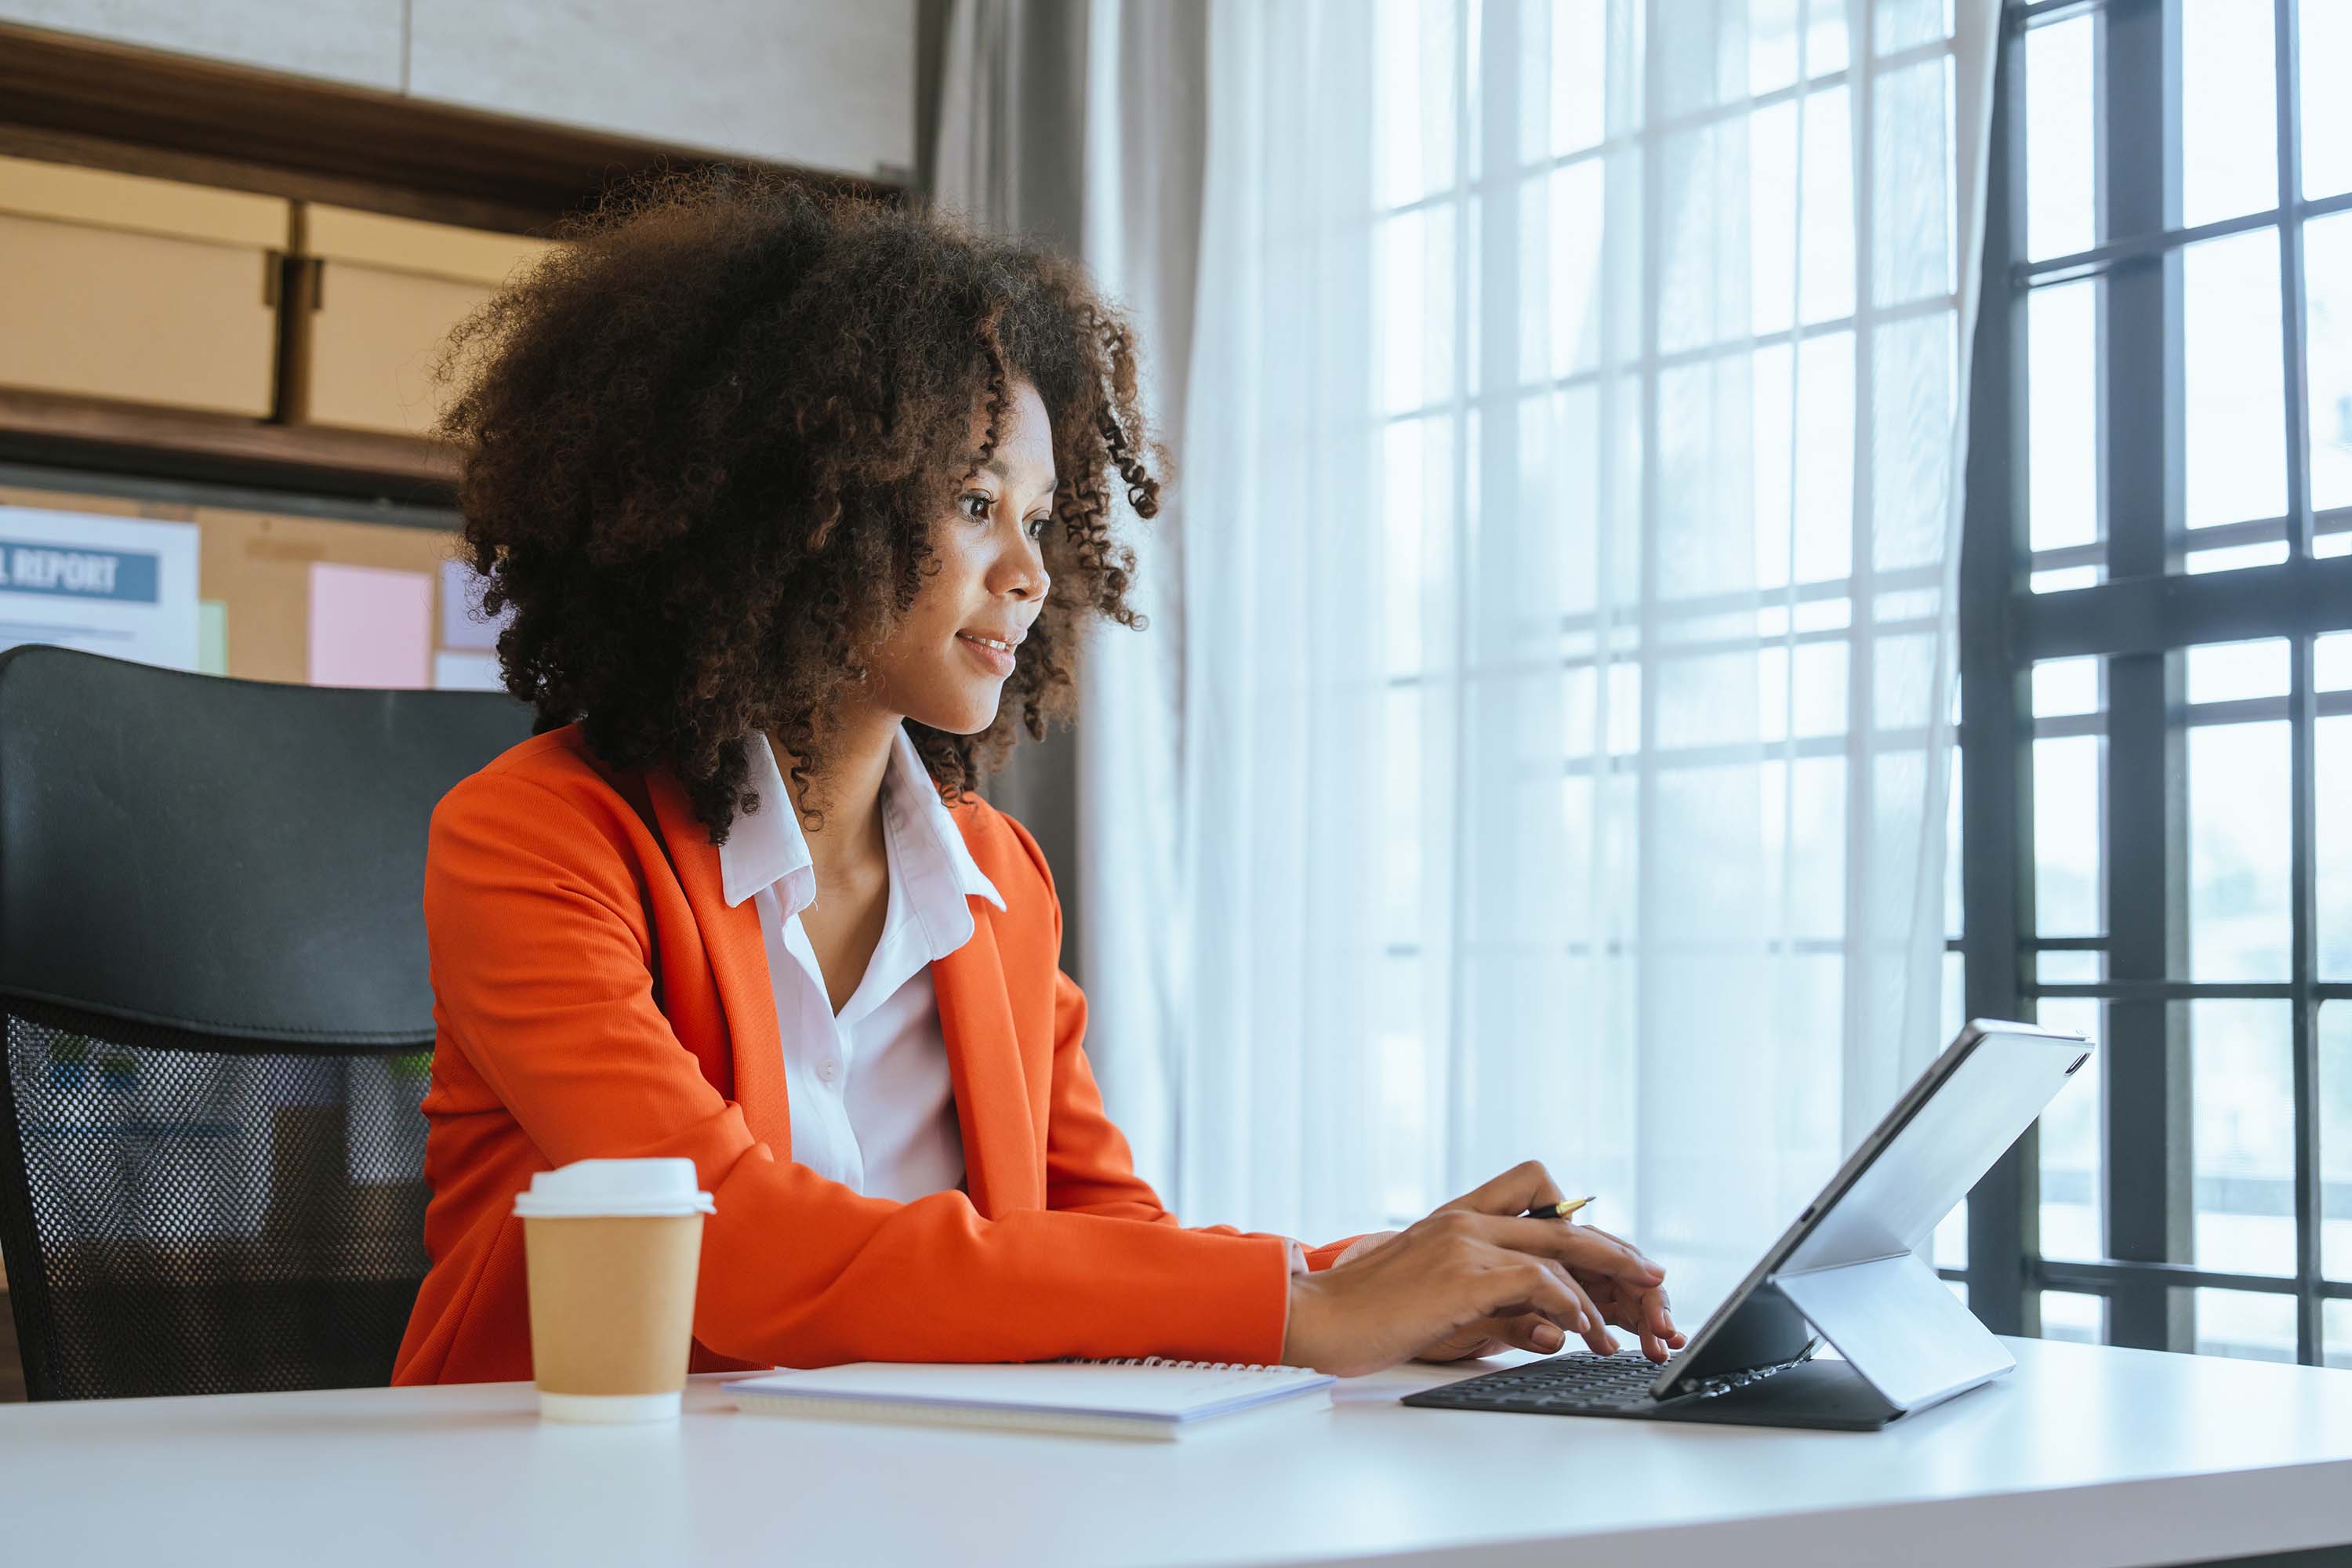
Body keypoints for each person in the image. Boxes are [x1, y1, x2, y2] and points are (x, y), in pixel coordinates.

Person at [391, 176, 1684, 1386]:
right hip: (567, 1505)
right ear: (796, 507)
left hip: (901, 1498)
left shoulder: (996, 884)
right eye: (971, 500)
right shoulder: (538, 840)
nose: (1028, 569)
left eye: (1043, 515)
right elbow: (730, 1252)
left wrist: (1399, 1277)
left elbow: (1105, 1243)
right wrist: (1312, 1306)